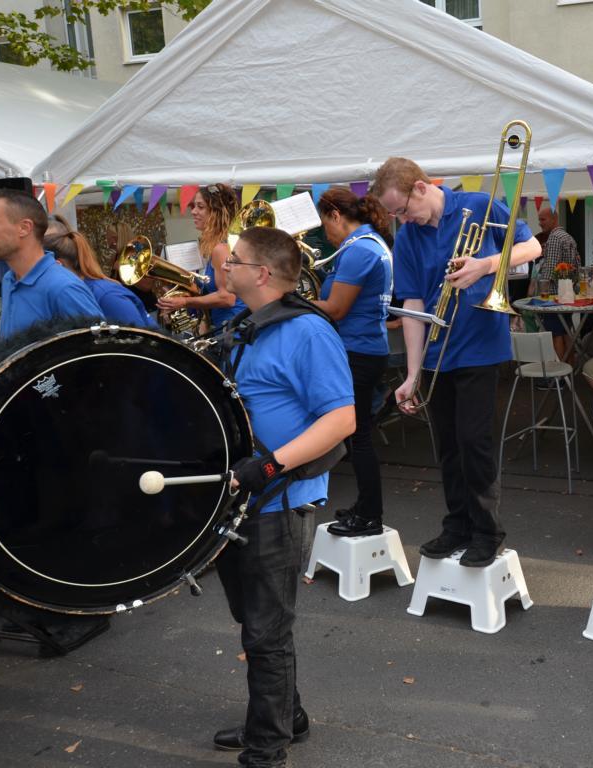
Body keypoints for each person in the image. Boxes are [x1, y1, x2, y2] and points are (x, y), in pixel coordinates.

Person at [211, 226, 355, 766]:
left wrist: (268, 466)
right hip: (242, 497)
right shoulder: (247, 324)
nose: (226, 267)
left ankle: (266, 750)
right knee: (254, 621)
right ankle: (283, 717)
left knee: (266, 632)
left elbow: (341, 419)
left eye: (235, 260)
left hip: (279, 499)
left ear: (262, 272)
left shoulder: (308, 332)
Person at [372, 157, 541, 567]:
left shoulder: (479, 205)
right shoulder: (408, 237)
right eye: (394, 215)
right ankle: (458, 524)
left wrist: (485, 265)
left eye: (402, 209)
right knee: (447, 445)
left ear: (420, 188)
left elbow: (532, 246)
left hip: (480, 348)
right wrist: (413, 373)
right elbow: (413, 306)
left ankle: (487, 531)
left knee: (474, 442)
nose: (401, 219)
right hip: (436, 354)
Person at [311, 186, 394, 537]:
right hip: (365, 349)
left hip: (358, 351)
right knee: (357, 435)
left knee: (357, 437)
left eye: (325, 224)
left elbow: (336, 308)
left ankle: (370, 514)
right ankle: (365, 505)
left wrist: (293, 301)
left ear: (335, 216)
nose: (326, 234)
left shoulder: (359, 249)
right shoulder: (367, 243)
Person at [0, 189, 103, 374]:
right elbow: (25, 357)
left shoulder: (63, 288)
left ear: (24, 228)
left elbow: (98, 357)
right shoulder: (9, 279)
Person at [158, 183, 245, 331]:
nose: (193, 211)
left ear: (216, 212)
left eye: (200, 207)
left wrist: (185, 302)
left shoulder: (221, 249)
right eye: (194, 206)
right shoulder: (219, 245)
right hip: (225, 325)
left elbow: (227, 298)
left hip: (232, 328)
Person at [44, 222, 155, 328]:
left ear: (59, 265)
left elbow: (139, 338)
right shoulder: (84, 293)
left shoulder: (108, 296)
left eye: (112, 237)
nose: (109, 241)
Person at [530, 205, 582, 360]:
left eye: (543, 219)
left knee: (556, 334)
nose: (540, 223)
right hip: (567, 294)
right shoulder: (568, 237)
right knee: (566, 331)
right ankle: (570, 368)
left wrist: (540, 293)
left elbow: (549, 271)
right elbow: (576, 267)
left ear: (554, 219)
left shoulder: (554, 238)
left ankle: (561, 370)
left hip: (553, 297)